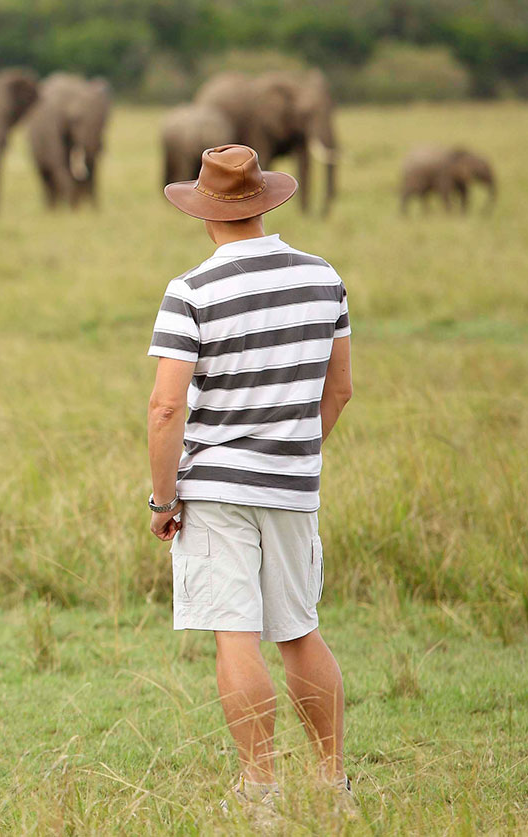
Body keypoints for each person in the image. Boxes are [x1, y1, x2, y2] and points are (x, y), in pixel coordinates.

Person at [146, 145, 357, 825]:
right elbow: (342, 389)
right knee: (299, 628)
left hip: (213, 484)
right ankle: (333, 783)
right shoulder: (324, 277)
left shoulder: (192, 290)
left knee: (235, 633)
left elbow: (165, 408)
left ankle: (260, 789)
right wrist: (291, 451)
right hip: (294, 483)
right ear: (266, 202)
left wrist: (164, 497)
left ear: (204, 213)